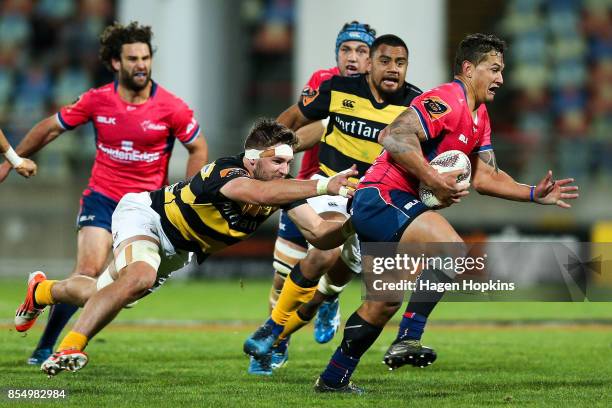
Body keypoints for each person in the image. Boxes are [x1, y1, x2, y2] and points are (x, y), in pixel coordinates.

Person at [313, 33, 580, 394]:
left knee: (383, 303)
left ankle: (332, 380)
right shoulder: (446, 100)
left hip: (389, 206)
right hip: (381, 196)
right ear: (469, 70)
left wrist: (533, 193)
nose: (501, 78)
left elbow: (485, 175)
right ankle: (409, 337)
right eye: (494, 69)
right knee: (452, 249)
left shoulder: (479, 115)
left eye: (503, 70)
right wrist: (432, 179)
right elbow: (393, 135)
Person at [14, 119, 358, 377]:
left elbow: (318, 234)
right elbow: (260, 194)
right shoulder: (227, 172)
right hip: (146, 217)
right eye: (278, 162)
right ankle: (69, 348)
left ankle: (42, 291)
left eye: (288, 162)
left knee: (104, 292)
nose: (286, 169)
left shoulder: (280, 190)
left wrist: (353, 224)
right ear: (253, 160)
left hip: (175, 251)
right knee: (138, 277)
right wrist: (324, 184)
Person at [0, 21, 209, 365]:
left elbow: (198, 147)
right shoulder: (97, 100)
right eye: (132, 58)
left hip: (146, 209)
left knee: (121, 290)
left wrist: (187, 198)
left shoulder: (172, 107)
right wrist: (14, 159)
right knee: (87, 273)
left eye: (145, 57)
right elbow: (51, 128)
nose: (141, 64)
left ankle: (40, 291)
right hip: (103, 198)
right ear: (115, 63)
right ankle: (45, 347)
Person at [244, 34, 423, 375]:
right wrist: (262, 155)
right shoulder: (338, 89)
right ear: (370, 63)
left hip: (377, 202)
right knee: (324, 250)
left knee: (331, 292)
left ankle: (286, 334)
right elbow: (295, 118)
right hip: (334, 187)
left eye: (400, 64)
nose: (393, 70)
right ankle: (272, 328)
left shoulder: (415, 106)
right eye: (385, 61)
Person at [264, 21, 375, 372]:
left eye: (361, 51)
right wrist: (267, 150)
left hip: (353, 191)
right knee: (283, 275)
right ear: (337, 55)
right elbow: (298, 120)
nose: (353, 58)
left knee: (330, 263)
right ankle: (276, 342)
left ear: (373, 60)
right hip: (311, 183)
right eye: (346, 50)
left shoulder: (386, 95)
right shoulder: (324, 82)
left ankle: (328, 300)